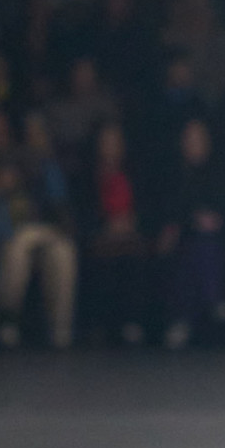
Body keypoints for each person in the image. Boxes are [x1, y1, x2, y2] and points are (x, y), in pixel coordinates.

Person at [0, 109, 77, 349]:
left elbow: (57, 205)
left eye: (1, 131)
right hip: (1, 237)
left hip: (39, 231)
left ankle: (60, 329)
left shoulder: (29, 161)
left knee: (63, 251)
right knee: (17, 247)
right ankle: (7, 320)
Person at [157, 117, 225, 349]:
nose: (193, 145)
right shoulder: (172, 174)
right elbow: (170, 211)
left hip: (214, 239)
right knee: (193, 248)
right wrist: (189, 222)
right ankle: (214, 300)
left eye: (198, 140)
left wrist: (213, 221)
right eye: (189, 140)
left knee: (204, 246)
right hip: (182, 236)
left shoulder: (219, 174)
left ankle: (186, 317)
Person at [80, 121, 151, 344]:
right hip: (101, 235)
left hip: (131, 234)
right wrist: (106, 224)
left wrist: (132, 221)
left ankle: (132, 323)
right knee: (102, 262)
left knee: (135, 258)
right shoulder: (87, 175)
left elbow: (145, 206)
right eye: (106, 142)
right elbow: (84, 209)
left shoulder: (135, 173)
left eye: (115, 142)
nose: (110, 147)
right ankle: (101, 325)